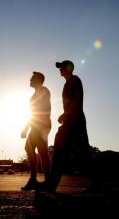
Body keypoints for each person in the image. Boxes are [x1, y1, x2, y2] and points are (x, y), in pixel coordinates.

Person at [41, 60, 90, 192]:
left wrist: (65, 114)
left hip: (76, 120)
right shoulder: (66, 84)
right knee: (61, 149)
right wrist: (65, 115)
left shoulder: (75, 80)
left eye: (62, 67)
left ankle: (96, 184)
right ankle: (52, 184)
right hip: (69, 121)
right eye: (60, 67)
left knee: (83, 153)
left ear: (69, 68)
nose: (60, 69)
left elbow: (77, 100)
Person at [20, 71, 51, 190]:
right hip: (36, 125)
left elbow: (42, 110)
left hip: (41, 125)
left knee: (42, 151)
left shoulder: (43, 90)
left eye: (32, 78)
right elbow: (32, 114)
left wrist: (37, 126)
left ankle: (46, 181)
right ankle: (35, 179)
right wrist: (26, 128)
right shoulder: (34, 95)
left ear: (38, 79)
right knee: (30, 148)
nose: (30, 80)